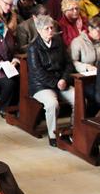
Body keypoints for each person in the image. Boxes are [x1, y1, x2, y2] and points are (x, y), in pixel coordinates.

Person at [27, 15, 76, 146]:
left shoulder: (59, 42)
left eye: (51, 28)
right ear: (39, 30)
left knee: (78, 98)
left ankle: (73, 130)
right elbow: (37, 72)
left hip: (61, 81)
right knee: (52, 104)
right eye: (46, 29)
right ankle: (53, 135)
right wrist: (56, 83)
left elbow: (68, 64)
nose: (50, 31)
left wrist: (64, 79)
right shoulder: (33, 48)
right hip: (41, 86)